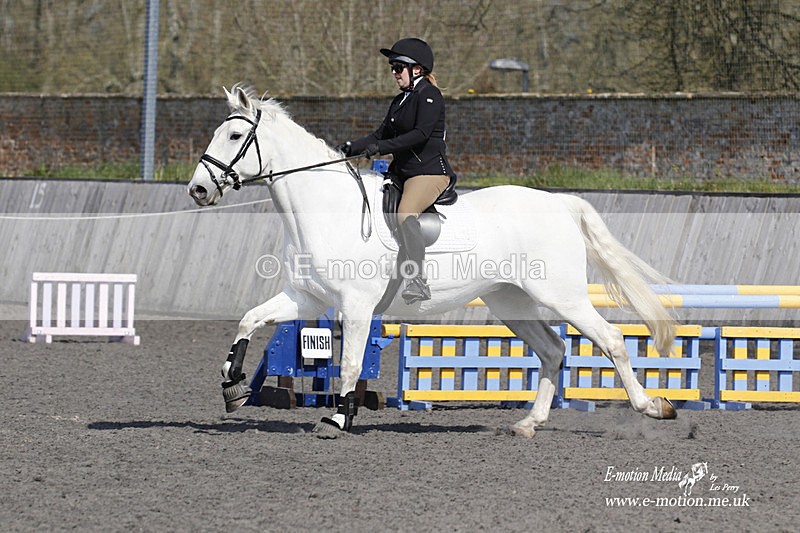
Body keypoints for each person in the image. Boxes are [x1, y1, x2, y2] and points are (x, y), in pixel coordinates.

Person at [336, 37, 457, 304]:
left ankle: (417, 280)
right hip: (401, 172)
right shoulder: (400, 100)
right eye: (392, 67)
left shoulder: (429, 95)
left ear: (417, 69)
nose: (394, 72)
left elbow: (420, 134)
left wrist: (380, 148)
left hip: (428, 173)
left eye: (398, 67)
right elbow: (380, 134)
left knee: (405, 213)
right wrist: (350, 148)